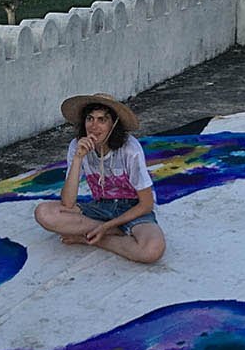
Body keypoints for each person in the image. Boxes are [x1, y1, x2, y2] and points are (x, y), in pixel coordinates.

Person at [34, 92, 165, 264]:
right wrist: (78, 158)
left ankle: (93, 238)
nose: (94, 126)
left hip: (133, 209)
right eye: (90, 119)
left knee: (152, 249)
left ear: (114, 125)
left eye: (102, 120)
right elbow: (68, 203)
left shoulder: (130, 149)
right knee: (44, 213)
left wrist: (107, 227)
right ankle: (112, 234)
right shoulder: (77, 146)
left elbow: (146, 204)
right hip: (101, 207)